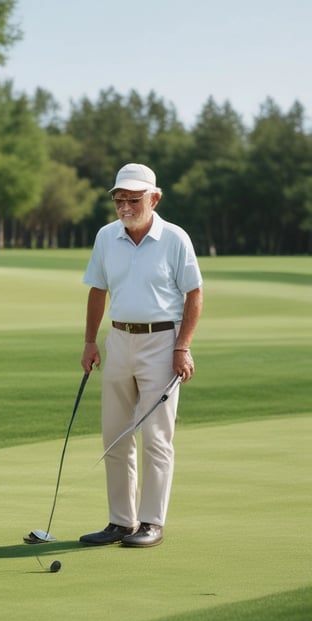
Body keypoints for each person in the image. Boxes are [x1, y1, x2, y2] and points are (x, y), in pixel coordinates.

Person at [79, 163, 203, 548]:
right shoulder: (106, 237)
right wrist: (89, 342)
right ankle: (121, 522)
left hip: (163, 345)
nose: (125, 207)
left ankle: (152, 521)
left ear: (155, 198)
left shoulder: (175, 239)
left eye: (134, 199)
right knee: (115, 435)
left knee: (156, 437)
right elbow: (97, 289)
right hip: (118, 341)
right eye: (119, 199)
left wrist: (182, 347)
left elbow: (194, 294)